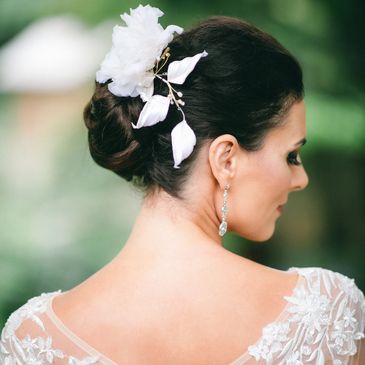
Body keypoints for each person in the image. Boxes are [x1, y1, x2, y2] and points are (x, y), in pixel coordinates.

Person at [1, 5, 364, 365]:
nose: (301, 180)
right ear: (226, 159)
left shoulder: (33, 338)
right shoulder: (327, 316)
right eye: (291, 156)